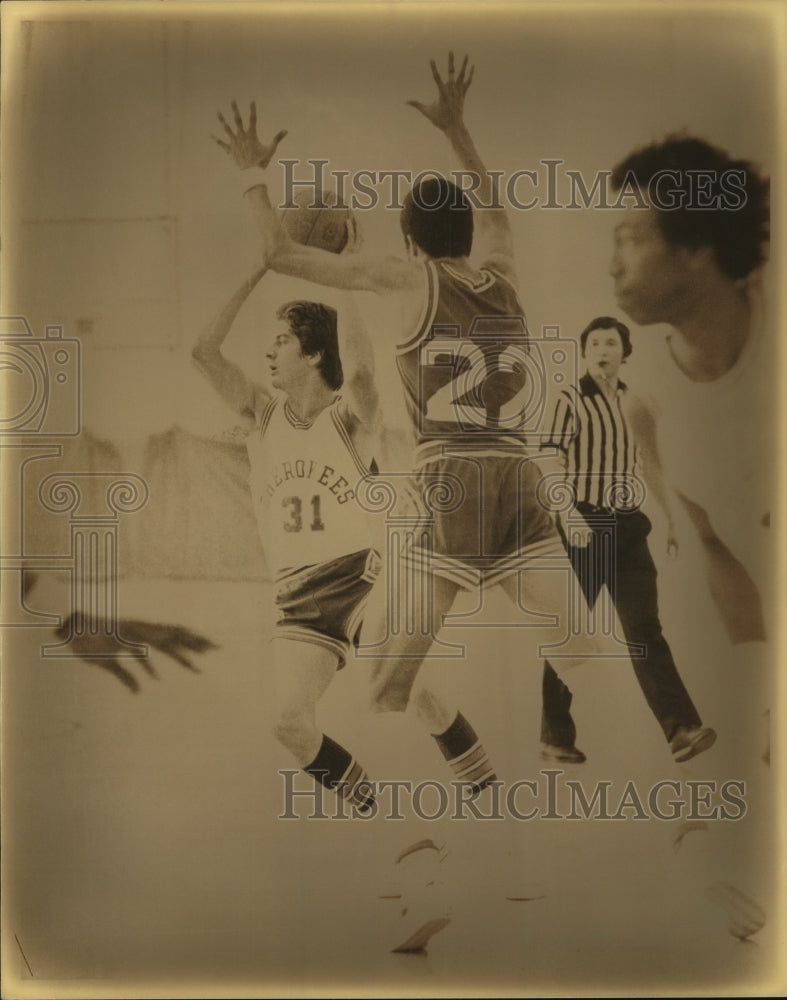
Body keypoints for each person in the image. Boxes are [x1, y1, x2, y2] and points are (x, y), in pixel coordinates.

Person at [217, 54, 597, 725]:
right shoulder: (503, 275)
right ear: (467, 233)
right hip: (517, 480)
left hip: (449, 482)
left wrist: (252, 173)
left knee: (385, 691)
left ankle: (403, 736)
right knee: (581, 654)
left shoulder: (408, 279)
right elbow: (496, 212)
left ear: (410, 243)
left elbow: (279, 254)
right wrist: (456, 129)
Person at [607, 134, 775, 940]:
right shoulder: (645, 399)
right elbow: (715, 549)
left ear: (698, 246)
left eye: (629, 238)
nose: (612, 266)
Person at [537, 315, 716, 764]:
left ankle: (681, 730)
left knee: (644, 629)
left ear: (625, 352)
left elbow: (649, 465)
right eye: (595, 343)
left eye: (611, 343)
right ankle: (555, 736)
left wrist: (671, 519)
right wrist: (568, 514)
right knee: (570, 634)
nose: (602, 350)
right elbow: (548, 461)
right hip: (582, 526)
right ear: (584, 352)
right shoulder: (568, 399)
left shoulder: (635, 403)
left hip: (630, 529)